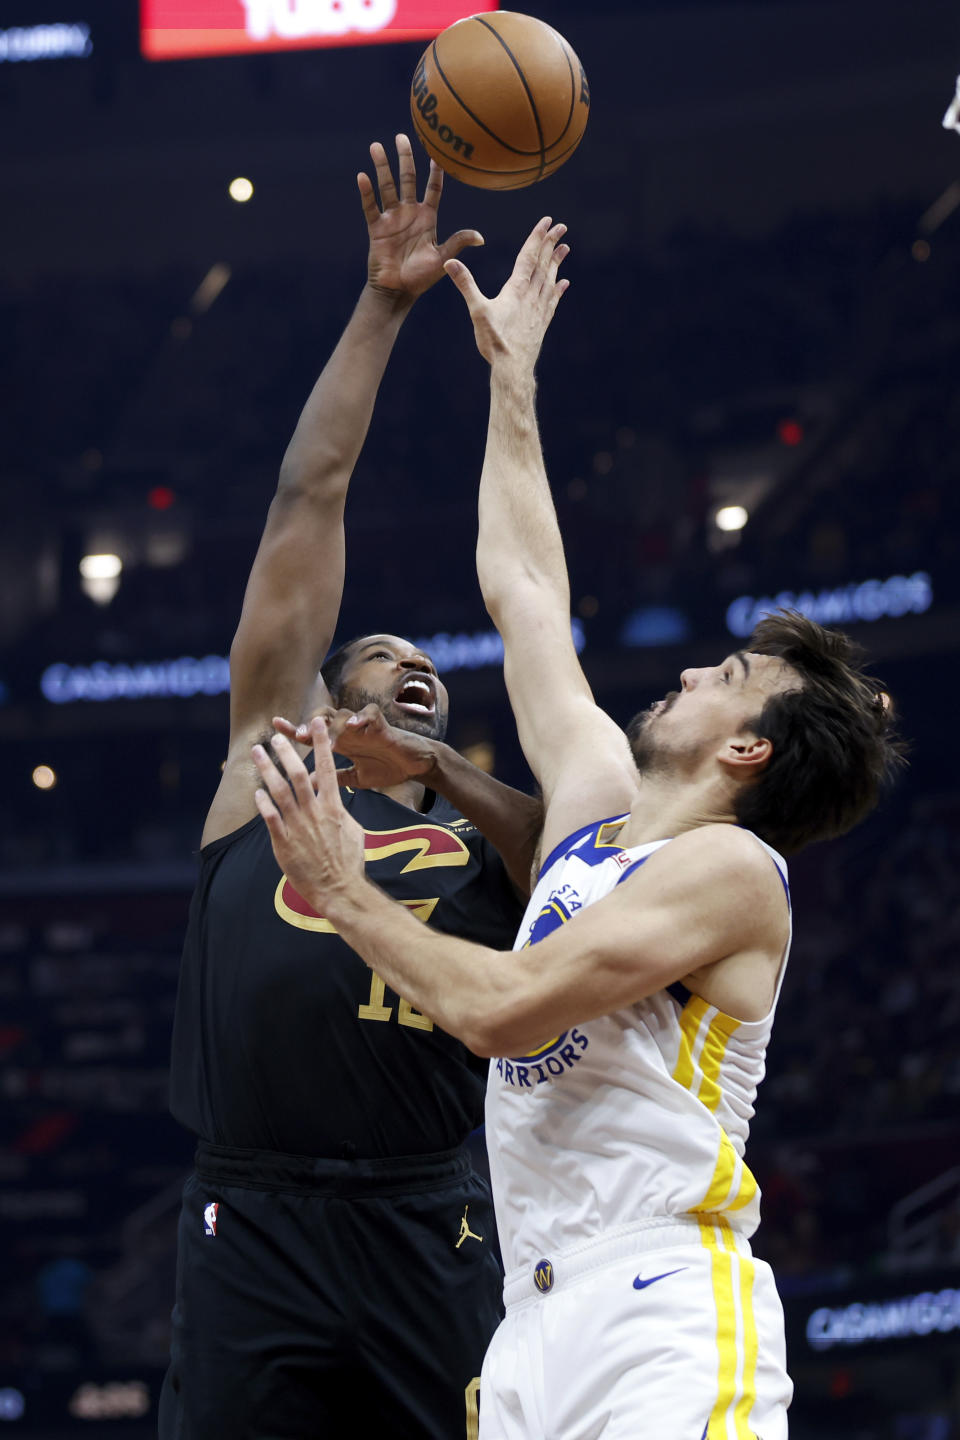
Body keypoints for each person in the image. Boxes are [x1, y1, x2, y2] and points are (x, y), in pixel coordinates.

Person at [252, 217, 905, 1440]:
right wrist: (513, 379)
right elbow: (528, 591)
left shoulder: (734, 872)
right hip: (532, 1320)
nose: (697, 672)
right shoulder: (597, 806)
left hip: (665, 1303)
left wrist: (345, 887)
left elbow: (508, 1009)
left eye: (726, 678)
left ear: (747, 751)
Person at [159, 138, 544, 1440]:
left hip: (427, 1211)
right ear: (325, 696)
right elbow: (306, 498)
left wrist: (444, 771)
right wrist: (383, 309)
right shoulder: (263, 761)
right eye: (386, 658)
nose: (416, 665)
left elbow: (574, 858)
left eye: (435, 670)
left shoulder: (478, 825)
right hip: (255, 1215)